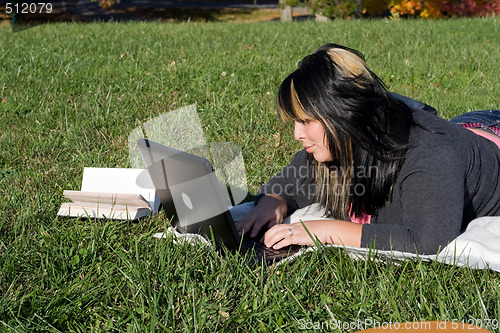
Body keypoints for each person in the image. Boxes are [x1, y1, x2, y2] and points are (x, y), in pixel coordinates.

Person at [235, 43, 500, 255]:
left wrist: (324, 231)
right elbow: (290, 180)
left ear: (344, 117)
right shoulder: (340, 144)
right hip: (462, 130)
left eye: (305, 121)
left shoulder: (430, 154)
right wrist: (272, 202)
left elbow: (427, 241)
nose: (297, 134)